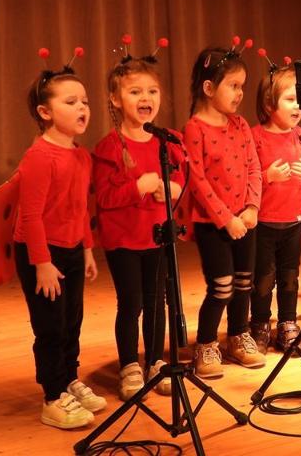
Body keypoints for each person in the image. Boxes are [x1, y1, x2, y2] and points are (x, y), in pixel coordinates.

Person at [13, 53, 106, 429]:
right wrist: (42, 263)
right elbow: (30, 216)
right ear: (45, 112)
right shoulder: (39, 156)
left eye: (84, 101)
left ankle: (69, 380)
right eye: (71, 101)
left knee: (71, 321)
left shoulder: (81, 156)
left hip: (70, 249)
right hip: (40, 252)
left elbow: (80, 207)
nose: (82, 107)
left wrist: (87, 249)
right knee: (50, 327)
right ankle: (52, 398)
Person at [93, 47, 184, 400]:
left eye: (152, 91)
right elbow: (104, 198)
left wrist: (173, 189)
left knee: (157, 301)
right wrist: (138, 187)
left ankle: (156, 361)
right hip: (124, 241)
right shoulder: (109, 147)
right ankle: (130, 364)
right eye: (135, 92)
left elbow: (183, 177)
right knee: (131, 304)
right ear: (116, 99)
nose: (145, 98)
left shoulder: (165, 140)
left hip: (157, 237)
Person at [183, 42, 265, 378]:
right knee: (222, 286)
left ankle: (237, 336)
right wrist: (226, 218)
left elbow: (254, 167)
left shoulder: (240, 125)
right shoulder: (195, 128)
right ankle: (205, 343)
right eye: (233, 85)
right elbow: (197, 180)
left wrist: (252, 207)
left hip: (244, 219)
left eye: (241, 86)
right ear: (208, 88)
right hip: (213, 224)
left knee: (244, 283)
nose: (239, 93)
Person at [249, 60, 301, 354]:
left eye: (300, 99)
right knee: (263, 278)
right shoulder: (256, 136)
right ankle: (260, 323)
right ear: (268, 104)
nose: (298, 106)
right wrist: (268, 176)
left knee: (290, 276)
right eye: (290, 99)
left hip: (293, 221)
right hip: (264, 222)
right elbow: (248, 178)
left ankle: (288, 323)